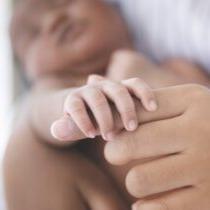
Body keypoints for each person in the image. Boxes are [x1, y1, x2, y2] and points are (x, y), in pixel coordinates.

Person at [4, 1, 210, 210]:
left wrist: (154, 79)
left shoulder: (176, 65)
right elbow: (40, 112)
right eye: (33, 33)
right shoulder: (59, 87)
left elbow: (202, 110)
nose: (53, 20)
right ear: (29, 72)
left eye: (66, 2)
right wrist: (72, 102)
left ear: (114, 9)